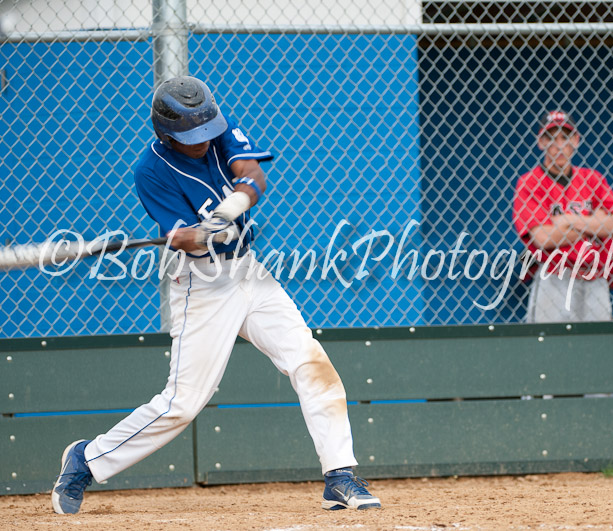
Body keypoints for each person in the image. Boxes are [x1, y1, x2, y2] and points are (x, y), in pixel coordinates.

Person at [51, 76, 380, 514]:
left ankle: (339, 476)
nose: (204, 141)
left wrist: (229, 211)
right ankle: (86, 459)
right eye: (192, 137)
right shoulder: (151, 171)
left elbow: (254, 176)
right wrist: (197, 236)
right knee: (182, 404)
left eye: (207, 131)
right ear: (166, 135)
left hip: (250, 270)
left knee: (310, 361)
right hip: (202, 283)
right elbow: (186, 241)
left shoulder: (213, 127)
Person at [513, 110, 613, 323]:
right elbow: (543, 238)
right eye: (551, 138)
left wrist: (567, 221)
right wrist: (593, 224)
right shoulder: (529, 183)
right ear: (541, 142)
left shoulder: (592, 179)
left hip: (594, 276)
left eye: (565, 137)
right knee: (548, 340)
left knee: (599, 340)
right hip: (554, 275)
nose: (559, 145)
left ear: (576, 141)